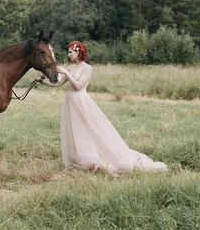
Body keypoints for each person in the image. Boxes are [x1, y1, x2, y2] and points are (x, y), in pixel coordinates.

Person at [38, 40, 167, 176]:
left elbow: (78, 86)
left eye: (71, 52)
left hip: (81, 102)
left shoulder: (87, 68)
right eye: (68, 52)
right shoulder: (70, 68)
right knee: (74, 131)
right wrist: (44, 83)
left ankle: (95, 158)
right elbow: (59, 84)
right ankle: (79, 159)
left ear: (77, 52)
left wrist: (66, 72)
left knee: (88, 130)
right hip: (70, 102)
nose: (68, 55)